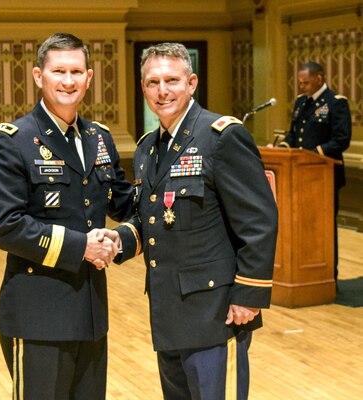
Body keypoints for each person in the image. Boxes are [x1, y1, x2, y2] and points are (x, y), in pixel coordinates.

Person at [110, 42, 278, 399]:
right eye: (153, 82)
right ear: (143, 88)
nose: (162, 90)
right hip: (168, 307)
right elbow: (152, 217)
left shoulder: (220, 136)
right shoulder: (147, 148)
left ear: (192, 83)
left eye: (172, 80)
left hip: (213, 312)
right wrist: (119, 240)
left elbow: (259, 220)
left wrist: (249, 295)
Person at [0, 33, 133, 400]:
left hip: (91, 313)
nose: (68, 81)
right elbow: (7, 225)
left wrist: (124, 236)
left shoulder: (99, 138)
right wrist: (83, 246)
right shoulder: (13, 140)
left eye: (77, 71)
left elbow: (127, 203)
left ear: (89, 78)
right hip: (38, 314)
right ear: (38, 76)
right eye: (59, 71)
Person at [278, 61, 352, 280]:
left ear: (319, 78)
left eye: (306, 82)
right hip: (298, 175)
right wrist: (284, 147)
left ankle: (329, 277)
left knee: (324, 229)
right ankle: (304, 274)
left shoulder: (335, 102)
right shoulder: (302, 102)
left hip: (323, 176)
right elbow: (294, 134)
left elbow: (341, 140)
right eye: (300, 82)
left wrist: (310, 155)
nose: (302, 87)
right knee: (300, 227)